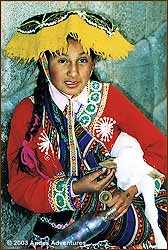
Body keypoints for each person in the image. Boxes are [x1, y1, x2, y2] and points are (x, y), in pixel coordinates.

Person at [5, 10, 166, 249]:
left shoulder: (110, 99)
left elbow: (161, 150)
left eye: (82, 60)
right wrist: (75, 188)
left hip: (123, 207)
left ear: (92, 65)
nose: (73, 72)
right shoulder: (26, 113)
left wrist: (130, 191)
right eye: (62, 60)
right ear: (45, 65)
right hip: (62, 226)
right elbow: (18, 186)